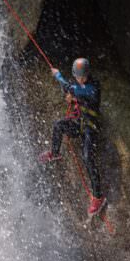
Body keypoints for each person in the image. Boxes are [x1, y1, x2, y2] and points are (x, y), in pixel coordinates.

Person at [39, 58, 106, 215]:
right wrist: (58, 76)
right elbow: (68, 87)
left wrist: (72, 95)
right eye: (77, 76)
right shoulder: (75, 83)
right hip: (78, 123)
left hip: (90, 126)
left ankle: (98, 197)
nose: (79, 79)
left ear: (87, 74)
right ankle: (55, 153)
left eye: (82, 76)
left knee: (88, 157)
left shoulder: (94, 86)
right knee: (58, 125)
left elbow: (86, 96)